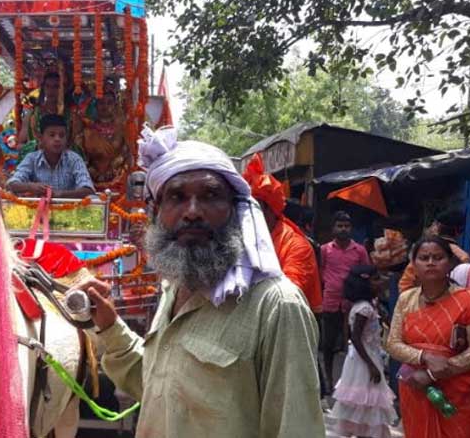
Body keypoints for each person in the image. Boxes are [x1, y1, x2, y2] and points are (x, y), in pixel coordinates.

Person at [80, 127, 325, 437]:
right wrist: (109, 326)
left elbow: (296, 428)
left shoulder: (277, 306)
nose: (193, 212)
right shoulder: (174, 289)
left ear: (235, 210)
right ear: (156, 213)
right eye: (177, 197)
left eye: (210, 196)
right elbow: (160, 388)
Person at [386, 236, 470, 438]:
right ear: (414, 264)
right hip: (415, 388)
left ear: (450, 263)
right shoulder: (406, 299)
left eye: (438, 257)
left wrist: (431, 375)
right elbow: (393, 343)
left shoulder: (469, 300)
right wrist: (424, 357)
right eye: (424, 257)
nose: (430, 262)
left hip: (458, 392)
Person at [243, 153, 323, 313]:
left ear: (270, 211)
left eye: (252, 209)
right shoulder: (246, 237)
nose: (246, 216)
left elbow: (286, 296)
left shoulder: (297, 246)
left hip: (294, 318)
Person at [331, 264, 398, 438]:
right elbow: (355, 337)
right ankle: (363, 433)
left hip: (364, 357)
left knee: (365, 402)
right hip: (365, 360)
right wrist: (371, 366)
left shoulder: (369, 305)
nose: (381, 282)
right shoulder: (364, 309)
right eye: (376, 279)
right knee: (367, 399)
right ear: (364, 285)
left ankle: (363, 432)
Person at [320, 210, 371, 392]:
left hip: (353, 304)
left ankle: (350, 383)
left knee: (353, 343)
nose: (343, 229)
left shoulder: (360, 251)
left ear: (351, 229)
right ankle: (328, 381)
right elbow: (321, 271)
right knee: (328, 344)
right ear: (333, 228)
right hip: (330, 302)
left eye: (346, 226)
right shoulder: (325, 250)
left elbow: (367, 273)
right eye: (339, 226)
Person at [6, 114, 95, 198]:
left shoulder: (74, 159)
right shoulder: (32, 159)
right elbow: (10, 185)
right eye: (52, 135)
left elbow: (88, 190)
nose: (57, 139)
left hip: (70, 212)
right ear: (40, 138)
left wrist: (60, 194)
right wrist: (30, 187)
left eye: (62, 135)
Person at [399, 209, 470, 292]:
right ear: (459, 232)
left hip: (421, 302)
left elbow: (405, 285)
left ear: (438, 226)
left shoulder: (422, 252)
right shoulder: (463, 257)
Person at [74, 88, 131, 184]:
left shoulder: (123, 130)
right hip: (90, 179)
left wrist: (115, 166)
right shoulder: (87, 131)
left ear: (115, 106)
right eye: (101, 102)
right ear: (95, 105)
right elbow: (80, 155)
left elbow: (128, 153)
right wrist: (90, 170)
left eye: (109, 103)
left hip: (118, 178)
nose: (105, 106)